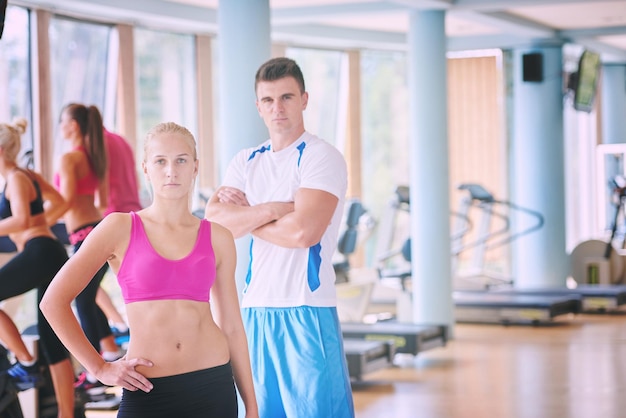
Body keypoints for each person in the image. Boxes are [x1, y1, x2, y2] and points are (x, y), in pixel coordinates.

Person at [41, 121, 258, 418]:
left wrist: (252, 406)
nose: (172, 170)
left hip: (213, 385)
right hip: (148, 390)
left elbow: (232, 326)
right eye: (161, 161)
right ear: (146, 169)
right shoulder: (118, 228)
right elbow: (53, 302)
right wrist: (99, 367)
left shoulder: (219, 237)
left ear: (195, 167)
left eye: (181, 160)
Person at [204, 57, 355, 418]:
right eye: (269, 100)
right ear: (258, 106)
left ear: (304, 99)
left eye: (286, 97)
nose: (278, 108)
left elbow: (304, 232)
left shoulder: (321, 157)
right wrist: (276, 208)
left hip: (306, 307)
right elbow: (216, 224)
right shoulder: (246, 161)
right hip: (255, 309)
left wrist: (248, 217)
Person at [0, 118, 76, 417]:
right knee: (53, 339)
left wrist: (34, 226)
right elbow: (59, 201)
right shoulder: (26, 176)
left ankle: (26, 362)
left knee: (51, 336)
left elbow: (21, 220)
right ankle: (66, 414)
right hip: (48, 252)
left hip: (40, 250)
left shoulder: (17, 178)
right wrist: (42, 223)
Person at [54, 103, 121, 392]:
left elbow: (66, 200)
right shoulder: (96, 158)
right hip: (98, 228)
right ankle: (108, 354)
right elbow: (102, 201)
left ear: (73, 126)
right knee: (88, 297)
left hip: (84, 234)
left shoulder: (69, 159)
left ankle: (93, 373)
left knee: (82, 299)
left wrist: (39, 220)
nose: (60, 128)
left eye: (61, 122)